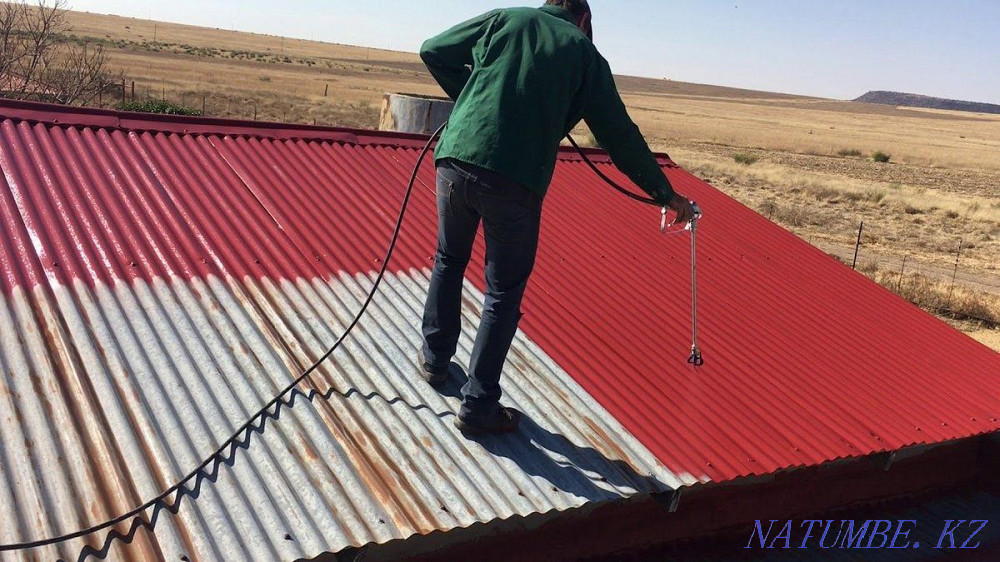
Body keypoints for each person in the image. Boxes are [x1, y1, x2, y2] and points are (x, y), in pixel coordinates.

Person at [417, 0, 695, 435]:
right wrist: (666, 194)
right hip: (515, 179)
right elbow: (619, 136)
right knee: (503, 291)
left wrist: (472, 101)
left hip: (454, 161)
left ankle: (434, 362)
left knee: (449, 259)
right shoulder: (585, 54)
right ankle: (478, 406)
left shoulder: (506, 18)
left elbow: (433, 49)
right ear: (584, 19)